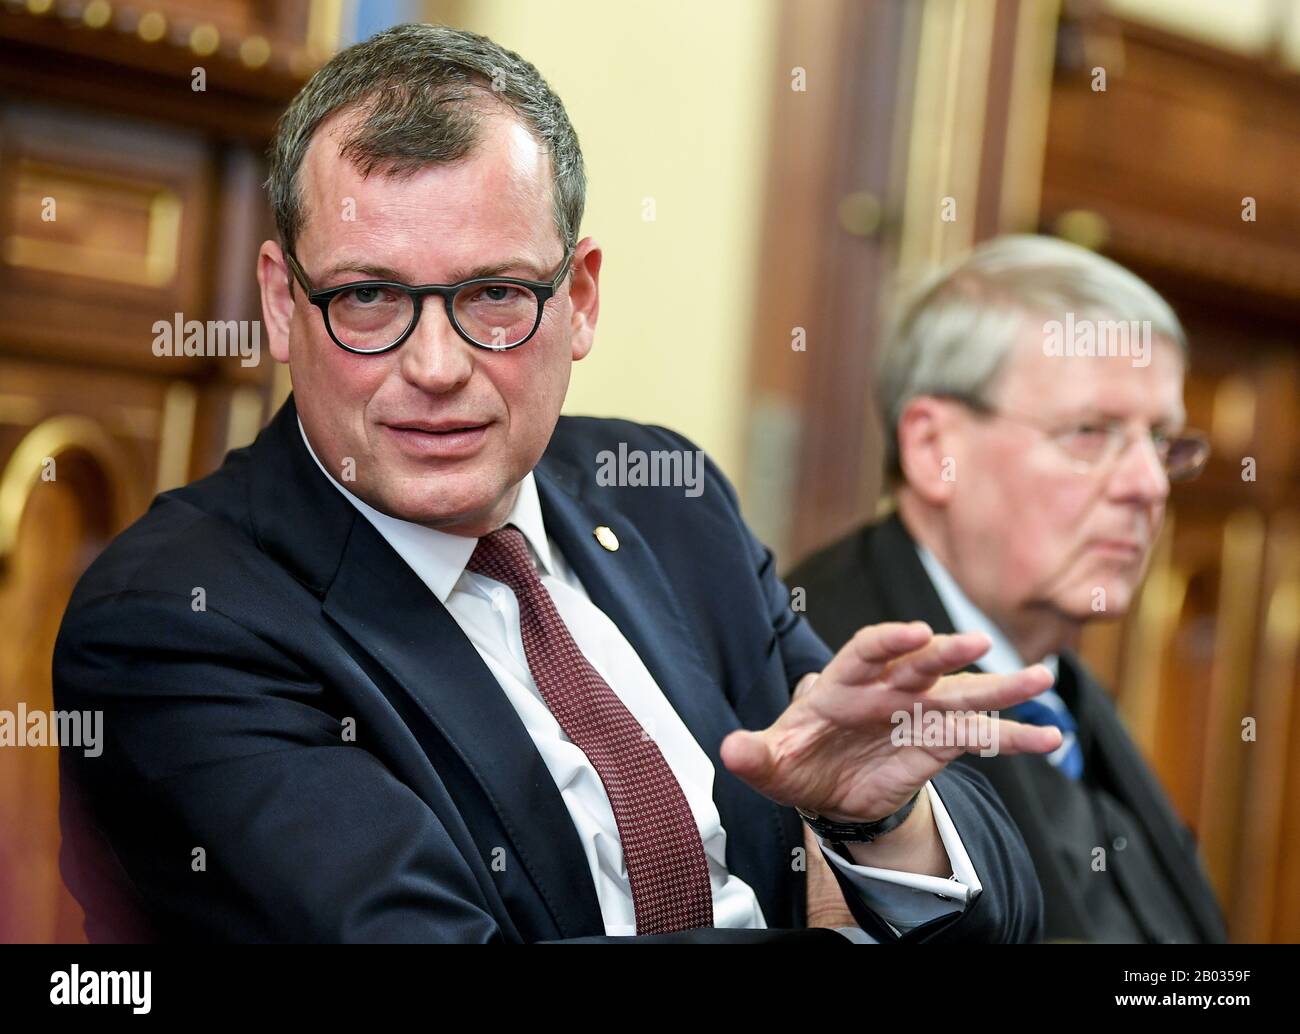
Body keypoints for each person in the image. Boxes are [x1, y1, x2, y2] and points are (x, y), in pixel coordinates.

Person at [53, 24, 1055, 944]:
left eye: (494, 294)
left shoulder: (668, 501)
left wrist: (874, 814)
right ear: (281, 303)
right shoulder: (177, 615)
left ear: (577, 299)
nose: (436, 365)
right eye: (368, 297)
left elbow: (1001, 914)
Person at [789, 234, 1227, 943]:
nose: (1149, 485)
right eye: (1091, 432)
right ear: (935, 450)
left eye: (1163, 443)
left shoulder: (1058, 682)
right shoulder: (827, 677)